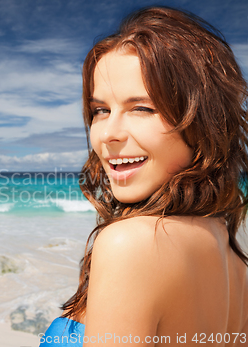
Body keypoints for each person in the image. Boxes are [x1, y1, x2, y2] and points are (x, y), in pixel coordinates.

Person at [39, 6, 248, 347]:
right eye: (101, 110)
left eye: (142, 108)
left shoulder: (131, 244)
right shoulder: (232, 260)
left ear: (202, 122)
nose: (108, 134)